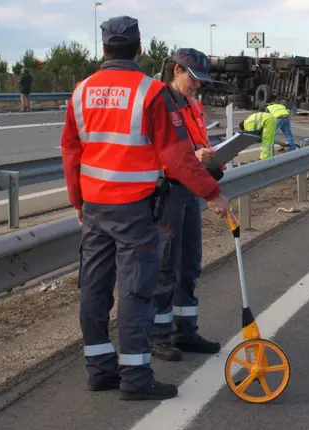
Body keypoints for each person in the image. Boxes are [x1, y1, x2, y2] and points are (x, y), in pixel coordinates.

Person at [60, 15, 231, 401]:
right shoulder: (149, 92)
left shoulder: (82, 91)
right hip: (135, 210)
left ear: (103, 49)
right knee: (137, 291)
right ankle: (136, 377)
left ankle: (100, 369)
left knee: (95, 288)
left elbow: (71, 152)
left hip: (96, 209)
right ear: (139, 48)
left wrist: (78, 201)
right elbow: (174, 154)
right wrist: (211, 193)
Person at [149, 47, 224, 361]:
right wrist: (193, 158)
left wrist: (209, 159)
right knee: (165, 266)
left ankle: (185, 332)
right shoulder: (159, 102)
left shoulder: (193, 105)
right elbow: (158, 151)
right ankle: (158, 336)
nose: (197, 85)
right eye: (193, 78)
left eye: (200, 80)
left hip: (190, 188)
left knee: (189, 264)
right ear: (176, 70)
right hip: (167, 191)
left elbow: (194, 146)